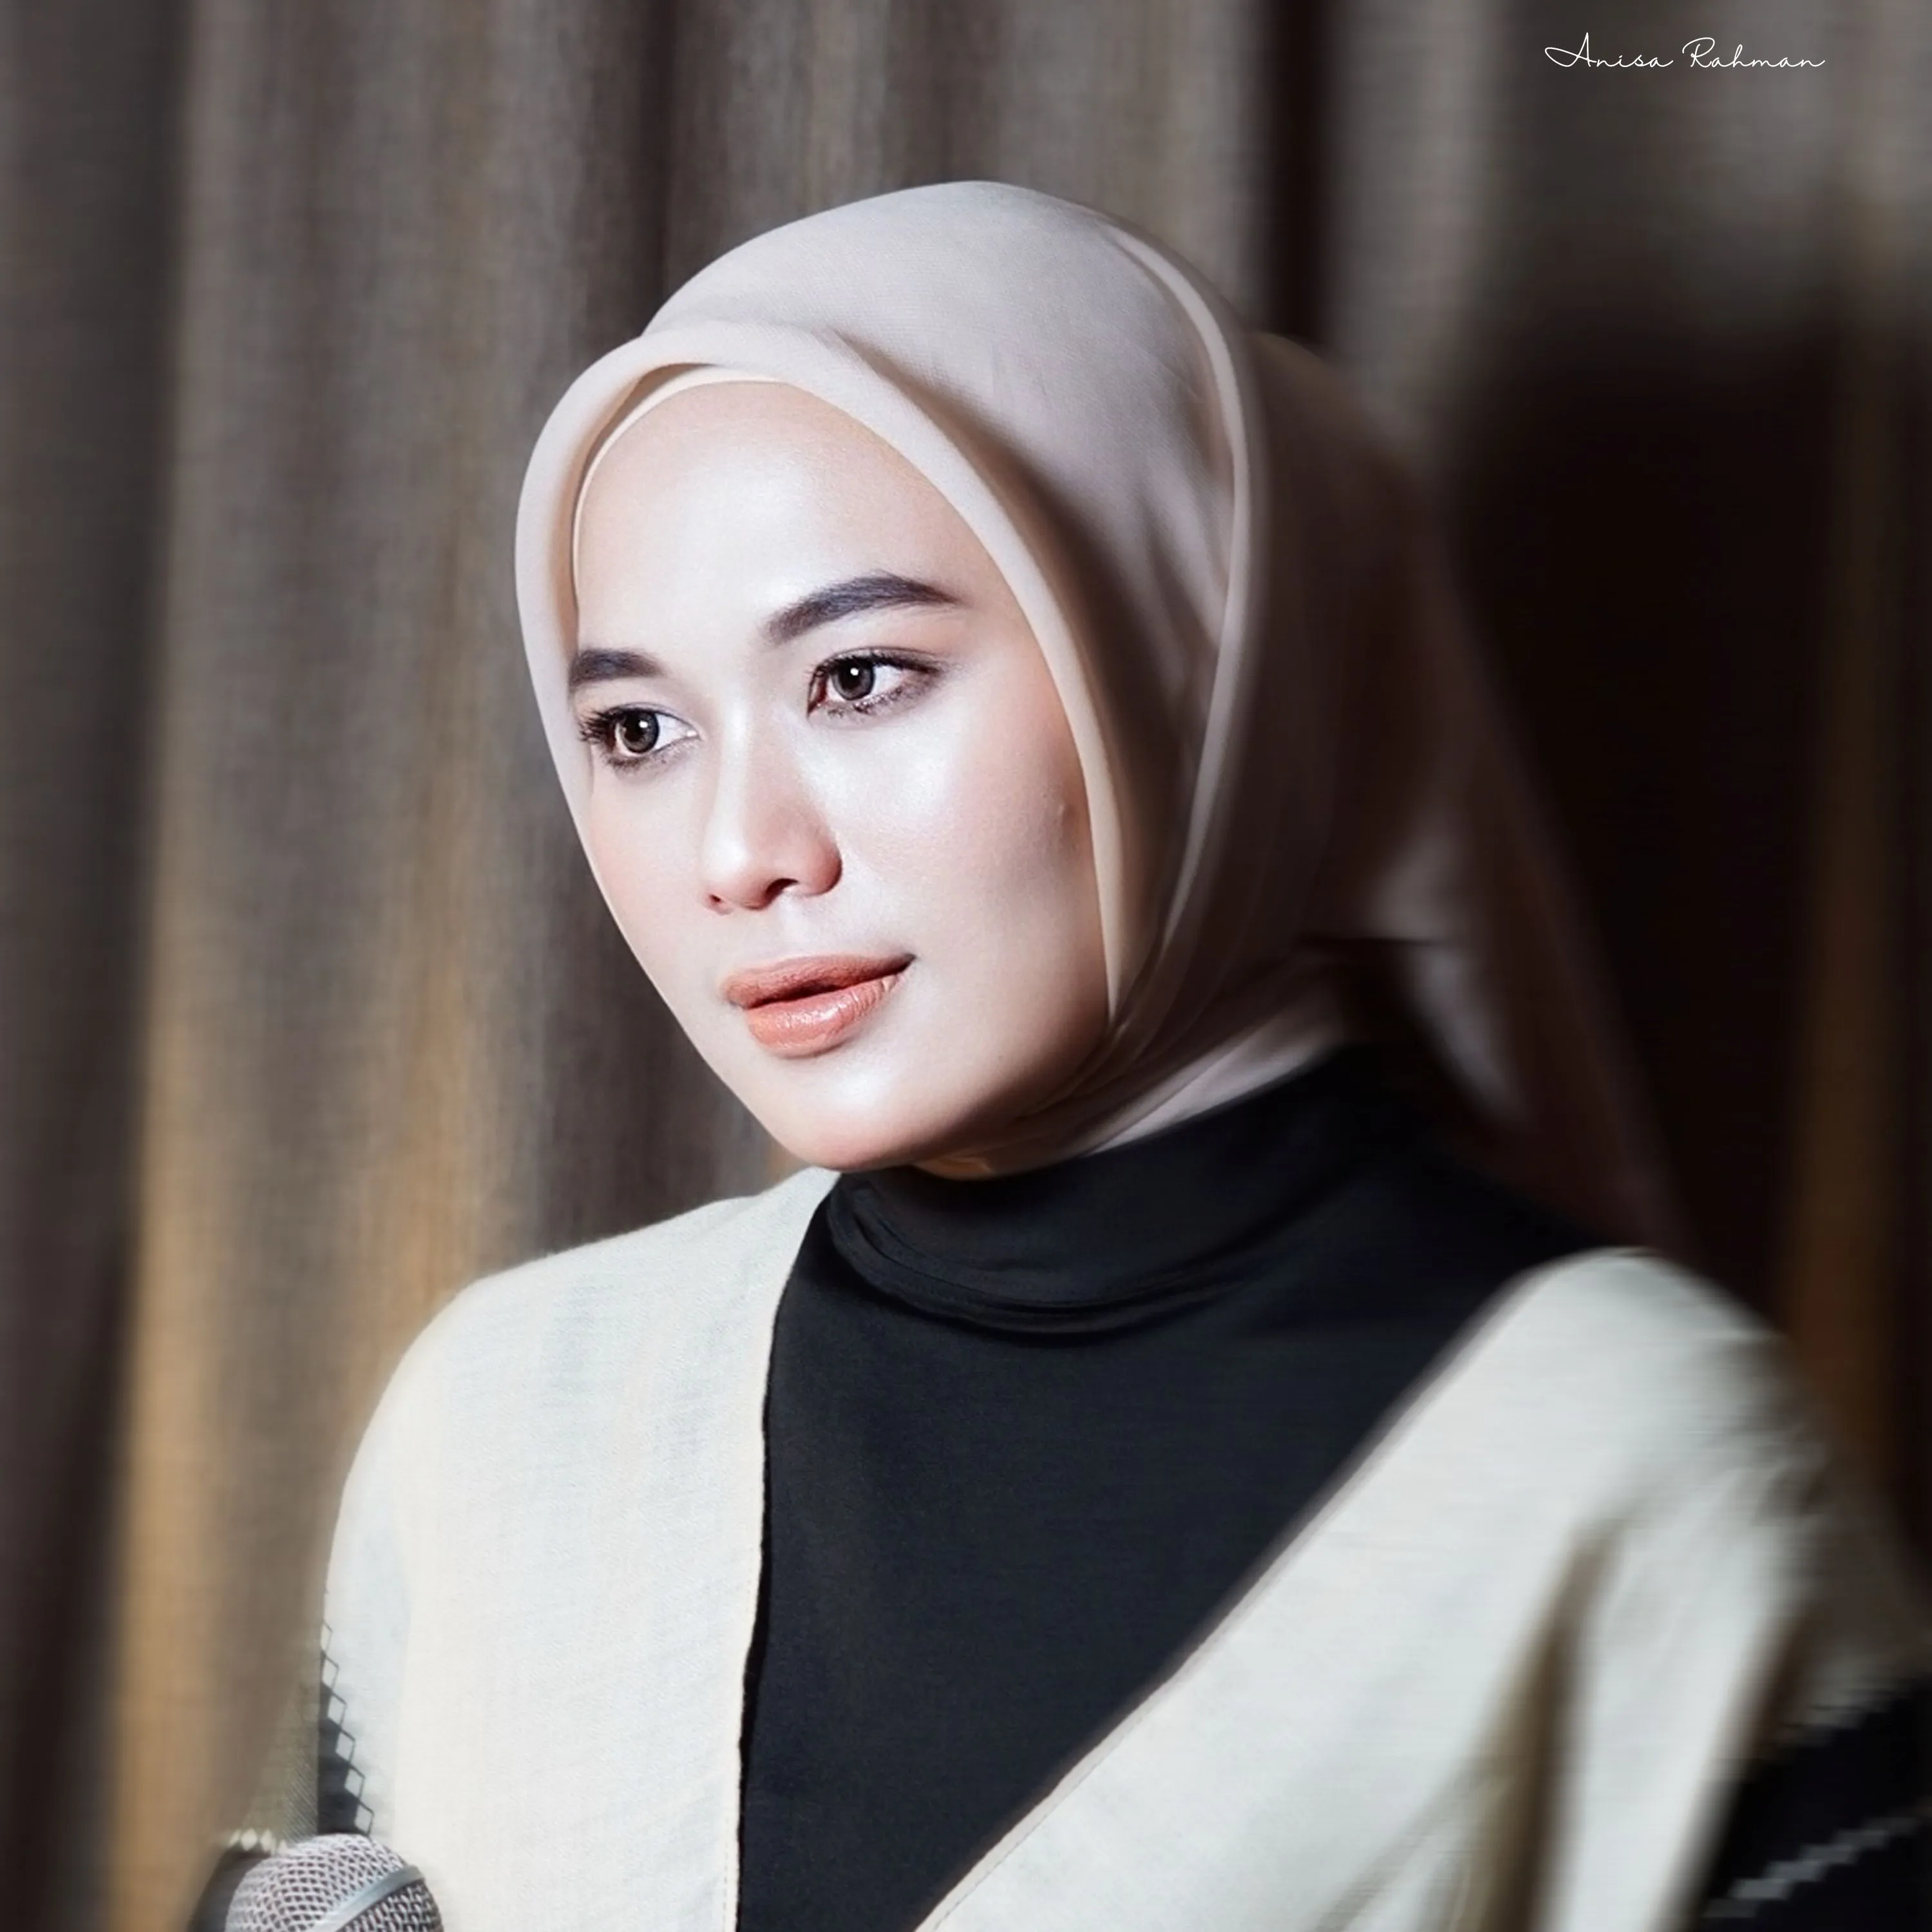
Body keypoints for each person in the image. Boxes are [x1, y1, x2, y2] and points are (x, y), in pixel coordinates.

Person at [298, 184, 1926, 1930]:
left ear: (1195, 666)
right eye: (637, 728)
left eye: (861, 677)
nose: (740, 851)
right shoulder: (498, 1424)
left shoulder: (1637, 1465)